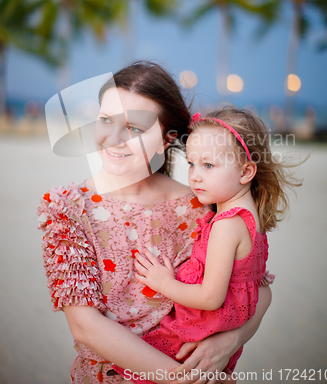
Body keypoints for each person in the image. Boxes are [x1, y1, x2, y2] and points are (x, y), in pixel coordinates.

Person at [37, 61, 272, 384]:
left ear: (167, 138)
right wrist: (181, 379)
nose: (114, 138)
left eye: (135, 128)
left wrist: (231, 340)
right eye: (106, 120)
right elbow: (85, 325)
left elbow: (257, 286)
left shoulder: (200, 205)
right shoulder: (67, 208)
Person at [112, 105, 300, 383]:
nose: (195, 176)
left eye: (208, 165)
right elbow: (259, 286)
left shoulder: (226, 225)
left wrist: (163, 283)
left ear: (246, 171)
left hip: (193, 338)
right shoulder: (251, 219)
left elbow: (211, 298)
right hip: (214, 335)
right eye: (191, 164)